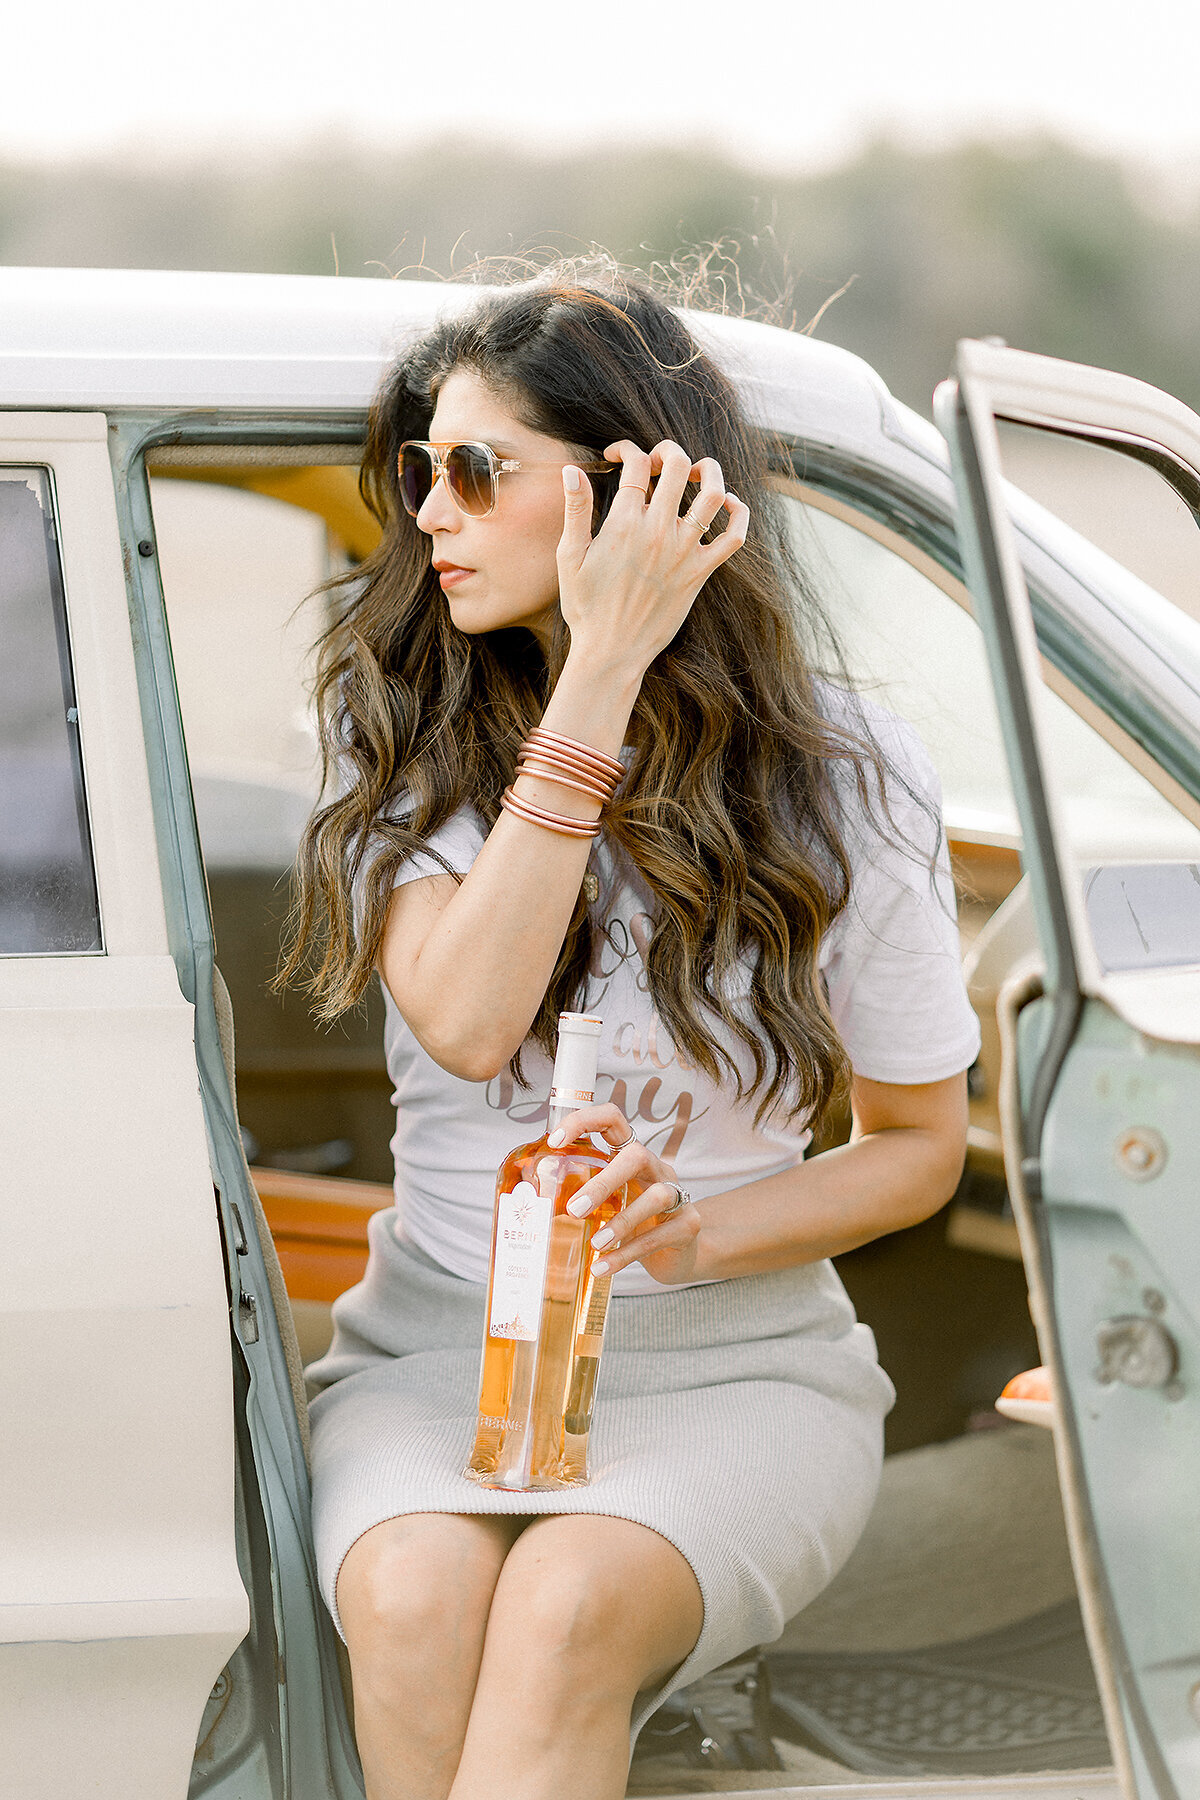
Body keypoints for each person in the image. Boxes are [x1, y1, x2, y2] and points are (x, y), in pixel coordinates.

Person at [286, 263, 981, 1800]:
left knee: (568, 1609)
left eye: (477, 470)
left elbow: (919, 1148)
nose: (430, 517)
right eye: (420, 471)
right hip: (434, 1355)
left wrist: (689, 1235)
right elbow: (469, 1023)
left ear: (635, 494)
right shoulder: (397, 726)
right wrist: (597, 676)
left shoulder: (848, 774)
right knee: (410, 1602)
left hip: (738, 1368)